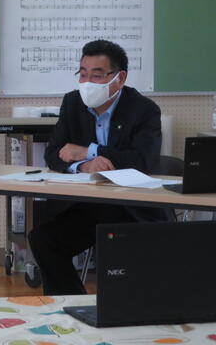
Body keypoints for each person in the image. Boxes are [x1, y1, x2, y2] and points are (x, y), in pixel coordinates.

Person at [27, 39, 168, 295]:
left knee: (119, 250)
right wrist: (83, 166)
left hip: (132, 207)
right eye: (83, 74)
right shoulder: (73, 103)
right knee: (43, 239)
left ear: (120, 78)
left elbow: (142, 161)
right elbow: (54, 154)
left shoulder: (144, 110)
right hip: (91, 205)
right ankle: (71, 304)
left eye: (97, 75)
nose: (88, 82)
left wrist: (89, 151)